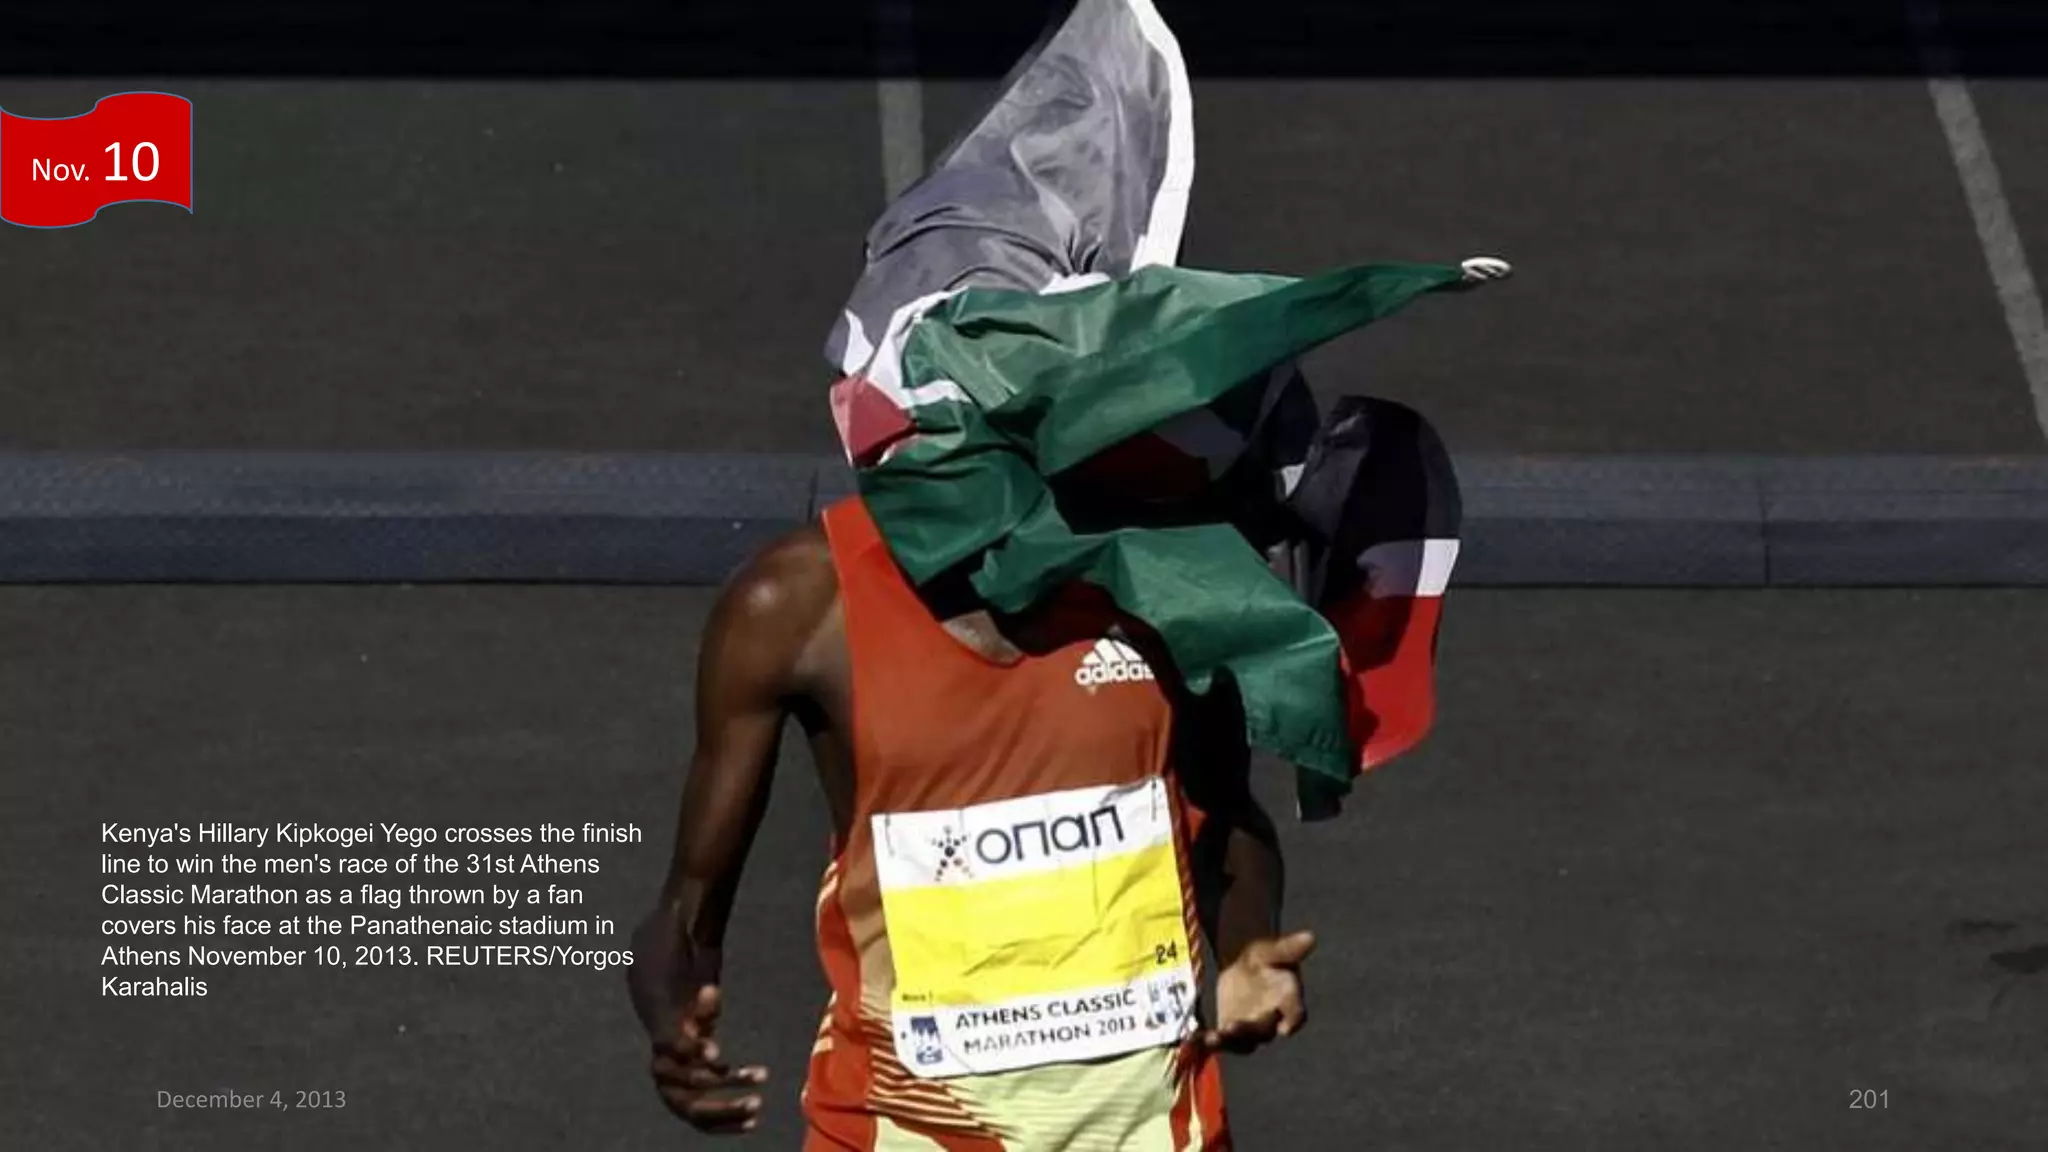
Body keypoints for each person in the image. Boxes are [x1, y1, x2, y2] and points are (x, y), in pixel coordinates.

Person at [628, 496, 1317, 1148]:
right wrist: (672, 1023)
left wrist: (1246, 950)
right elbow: (684, 916)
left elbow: (1223, 808)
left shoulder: (1161, 572)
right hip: (899, 1129)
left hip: (1150, 1129)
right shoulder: (802, 600)